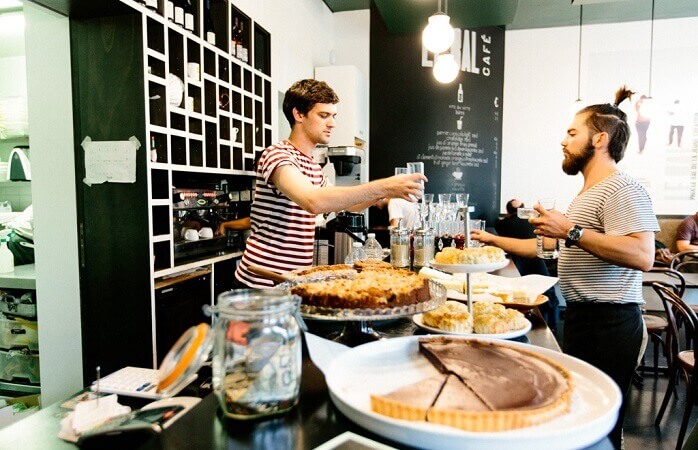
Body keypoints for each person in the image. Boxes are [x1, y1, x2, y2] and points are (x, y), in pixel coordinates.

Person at [472, 86, 658, 449]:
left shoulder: (621, 188)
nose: (564, 141)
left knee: (599, 430)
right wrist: (492, 240)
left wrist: (570, 229)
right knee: (581, 419)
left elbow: (642, 254)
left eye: (573, 133)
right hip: (585, 319)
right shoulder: (589, 192)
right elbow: (548, 246)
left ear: (600, 139)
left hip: (611, 323)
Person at [234, 79, 426, 288]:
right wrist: (384, 186)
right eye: (324, 115)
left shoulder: (314, 166)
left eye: (333, 116)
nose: (332, 123)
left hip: (292, 281)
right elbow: (312, 201)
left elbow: (348, 204)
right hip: (262, 283)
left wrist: (384, 195)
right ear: (299, 114)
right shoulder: (277, 155)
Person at [494, 199, 560, 332]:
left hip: (518, 265)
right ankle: (552, 327)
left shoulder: (502, 224)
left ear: (507, 212)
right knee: (547, 295)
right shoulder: (533, 223)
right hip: (538, 262)